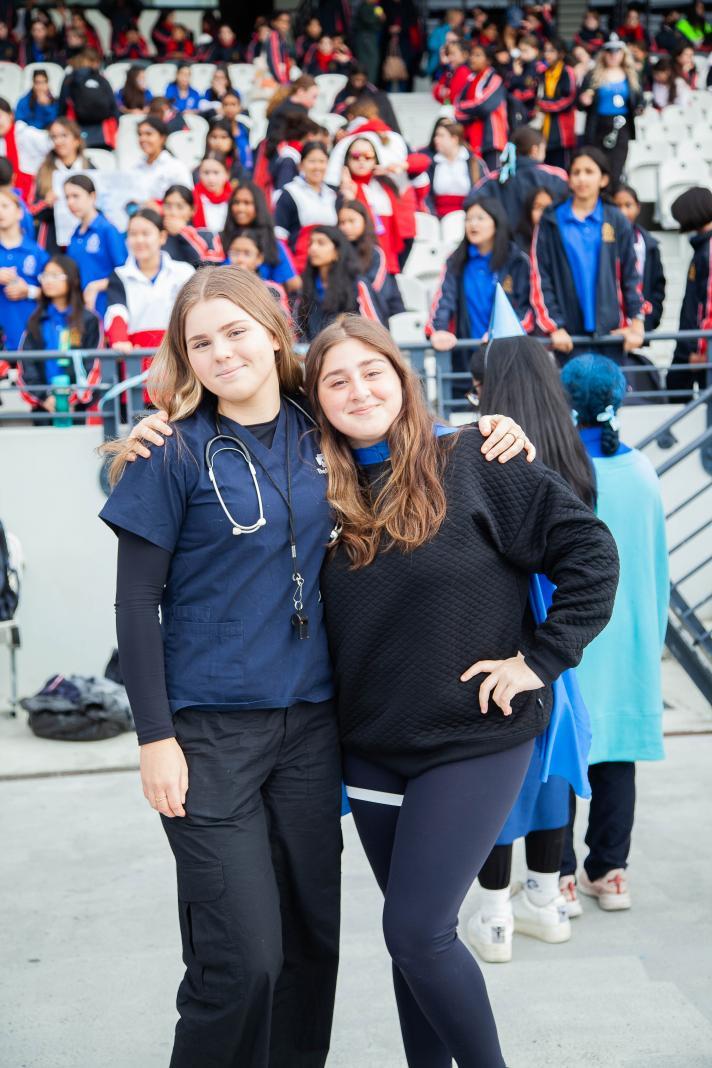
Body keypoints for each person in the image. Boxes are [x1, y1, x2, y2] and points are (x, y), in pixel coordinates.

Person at [114, 264, 540, 1068]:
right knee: (240, 959)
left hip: (312, 729)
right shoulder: (169, 453)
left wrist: (493, 427)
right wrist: (154, 737)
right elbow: (136, 603)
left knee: (311, 946)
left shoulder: (321, 429)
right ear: (184, 357)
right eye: (200, 343)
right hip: (208, 734)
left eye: (236, 331)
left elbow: (398, 420)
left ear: (274, 333)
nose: (222, 352)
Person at [305, 314, 618, 1068]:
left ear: (402, 377)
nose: (358, 390)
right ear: (315, 400)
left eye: (372, 372)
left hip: (475, 736)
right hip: (372, 747)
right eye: (336, 380)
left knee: (416, 931)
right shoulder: (313, 493)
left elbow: (590, 554)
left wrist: (538, 661)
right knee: (414, 940)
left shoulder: (477, 458)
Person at [467, 333, 599, 961]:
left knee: (496, 777)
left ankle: (495, 913)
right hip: (556, 645)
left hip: (501, 635)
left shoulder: (488, 455)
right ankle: (546, 900)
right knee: (554, 766)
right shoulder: (574, 456)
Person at [560, 353, 667, 911]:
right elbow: (657, 566)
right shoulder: (642, 471)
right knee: (616, 755)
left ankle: (558, 877)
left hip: (568, 635)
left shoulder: (557, 469)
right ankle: (610, 872)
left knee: (560, 755)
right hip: (628, 637)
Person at [530, 147, 644, 360]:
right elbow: (540, 275)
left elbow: (631, 273)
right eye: (576, 172)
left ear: (603, 179)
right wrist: (554, 326)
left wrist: (636, 321)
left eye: (589, 172)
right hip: (567, 338)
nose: (582, 178)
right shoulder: (551, 219)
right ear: (569, 179)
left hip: (611, 334)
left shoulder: (616, 219)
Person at [427, 197, 532, 355]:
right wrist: (439, 330)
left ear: (496, 222)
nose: (473, 224)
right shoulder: (456, 261)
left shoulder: (517, 261)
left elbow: (527, 309)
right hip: (466, 354)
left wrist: (502, 332)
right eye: (468, 219)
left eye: (480, 218)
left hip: (508, 352)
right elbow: (444, 300)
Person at [104, 209, 194, 366]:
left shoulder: (184, 272)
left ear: (162, 237)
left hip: (179, 355)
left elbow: (193, 311)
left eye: (146, 234)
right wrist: (119, 339)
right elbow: (117, 312)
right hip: (137, 359)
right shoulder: (120, 275)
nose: (139, 240)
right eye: (133, 234)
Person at [17, 254, 102, 417]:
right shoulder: (36, 320)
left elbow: (94, 364)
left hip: (79, 408)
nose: (48, 281)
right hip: (44, 407)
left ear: (73, 279)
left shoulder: (89, 319)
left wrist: (72, 399)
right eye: (45, 275)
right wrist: (45, 398)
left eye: (55, 275)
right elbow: (26, 364)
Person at [336, 135, 414, 275]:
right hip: (365, 259)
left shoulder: (386, 183)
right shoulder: (346, 189)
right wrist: (349, 199)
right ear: (347, 159)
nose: (361, 160)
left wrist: (396, 167)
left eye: (368, 156)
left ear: (375, 159)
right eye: (355, 156)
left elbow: (423, 162)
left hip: (391, 258)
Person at [296, 225, 385, 341]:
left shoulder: (358, 285)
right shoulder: (306, 286)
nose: (313, 248)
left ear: (337, 252)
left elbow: (375, 331)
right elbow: (300, 330)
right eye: (310, 243)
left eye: (321, 243)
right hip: (314, 350)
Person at [471, 126, 568, 233]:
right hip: (543, 239)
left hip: (503, 240)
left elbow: (471, 201)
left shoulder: (495, 177)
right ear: (535, 150)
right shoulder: (555, 176)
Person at [577, 35, 642, 185]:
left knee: (616, 167)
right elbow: (580, 104)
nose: (613, 55)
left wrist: (640, 108)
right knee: (597, 165)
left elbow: (639, 100)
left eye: (617, 51)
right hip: (598, 126)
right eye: (609, 51)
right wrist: (584, 100)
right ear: (603, 54)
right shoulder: (592, 75)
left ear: (623, 54)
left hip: (621, 126)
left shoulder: (630, 75)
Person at [668, 186, 712, 395]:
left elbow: (709, 303)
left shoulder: (709, 249)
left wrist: (703, 352)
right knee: (675, 389)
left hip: (699, 348)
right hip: (690, 344)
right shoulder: (702, 247)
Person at [221, 180, 300, 293]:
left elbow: (293, 283)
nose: (240, 208)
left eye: (247, 203)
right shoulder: (221, 239)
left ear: (258, 206)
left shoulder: (272, 243)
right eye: (236, 202)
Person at [64, 175, 126, 318]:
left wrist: (96, 286)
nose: (70, 202)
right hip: (80, 308)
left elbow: (124, 271)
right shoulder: (75, 234)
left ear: (92, 196)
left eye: (75, 196)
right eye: (67, 197)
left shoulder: (107, 230)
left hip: (105, 306)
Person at [32, 117, 95, 254]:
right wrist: (46, 203)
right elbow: (32, 211)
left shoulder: (91, 169)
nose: (58, 141)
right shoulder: (44, 171)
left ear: (77, 140)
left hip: (86, 236)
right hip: (53, 238)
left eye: (64, 136)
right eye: (54, 137)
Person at [274, 141, 338, 272]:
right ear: (301, 165)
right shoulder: (290, 193)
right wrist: (289, 273)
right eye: (312, 161)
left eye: (322, 161)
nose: (317, 167)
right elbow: (279, 239)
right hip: (300, 268)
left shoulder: (333, 195)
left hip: (330, 270)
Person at [337, 199, 405, 319]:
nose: (346, 227)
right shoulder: (337, 252)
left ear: (365, 221)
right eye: (342, 223)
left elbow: (373, 289)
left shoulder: (376, 253)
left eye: (352, 221)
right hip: (350, 311)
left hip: (379, 311)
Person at [0, 189, 49, 351]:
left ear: (19, 212)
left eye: (5, 206)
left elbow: (56, 294)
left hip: (27, 339)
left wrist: (28, 291)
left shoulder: (37, 253)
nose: (0, 212)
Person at [613, 183, 665, 332]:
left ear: (638, 207)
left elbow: (657, 286)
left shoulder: (649, 245)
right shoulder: (603, 242)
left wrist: (651, 318)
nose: (623, 211)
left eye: (628, 205)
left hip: (641, 325)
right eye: (617, 206)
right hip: (611, 327)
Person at [454, 43, 509, 172]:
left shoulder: (495, 79)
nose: (472, 58)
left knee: (493, 177)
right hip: (470, 138)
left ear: (488, 60)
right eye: (472, 55)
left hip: (492, 139)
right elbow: (457, 107)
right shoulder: (470, 80)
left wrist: (465, 108)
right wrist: (472, 111)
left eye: (478, 55)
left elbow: (484, 106)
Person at [423, 118, 486, 219]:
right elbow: (426, 195)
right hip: (437, 218)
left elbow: (483, 191)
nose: (436, 139)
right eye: (436, 135)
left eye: (441, 136)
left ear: (454, 139)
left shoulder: (474, 162)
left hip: (466, 218)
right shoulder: (432, 163)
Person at [225, 230, 291, 314]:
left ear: (259, 258)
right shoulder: (222, 288)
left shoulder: (272, 291)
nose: (240, 259)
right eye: (235, 253)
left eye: (247, 253)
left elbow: (282, 320)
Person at [537, 38, 577, 171]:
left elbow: (569, 98)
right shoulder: (543, 72)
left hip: (562, 130)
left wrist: (545, 105)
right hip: (544, 129)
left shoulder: (567, 71)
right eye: (546, 51)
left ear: (561, 53)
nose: (547, 54)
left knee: (562, 169)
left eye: (551, 51)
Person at [162, 184, 225, 267]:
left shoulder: (208, 235)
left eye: (180, 207)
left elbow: (209, 266)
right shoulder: (158, 237)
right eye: (168, 206)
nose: (173, 212)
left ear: (192, 210)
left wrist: (184, 232)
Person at [135, 117, 193, 200]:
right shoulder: (137, 167)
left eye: (148, 134)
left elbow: (186, 201)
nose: (142, 139)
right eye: (140, 134)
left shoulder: (176, 167)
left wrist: (157, 206)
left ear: (163, 138)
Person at [191, 152, 233, 234]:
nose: (211, 178)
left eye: (216, 172)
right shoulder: (191, 198)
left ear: (227, 174)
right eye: (206, 173)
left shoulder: (235, 199)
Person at [515, 187, 554, 253]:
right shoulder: (517, 246)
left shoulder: (561, 241)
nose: (542, 213)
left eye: (547, 208)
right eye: (537, 207)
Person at [265, 10, 293, 84]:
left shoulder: (283, 38)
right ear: (274, 22)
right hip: (271, 78)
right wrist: (283, 82)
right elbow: (274, 62)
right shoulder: (273, 37)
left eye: (287, 22)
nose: (285, 24)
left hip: (280, 76)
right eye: (282, 21)